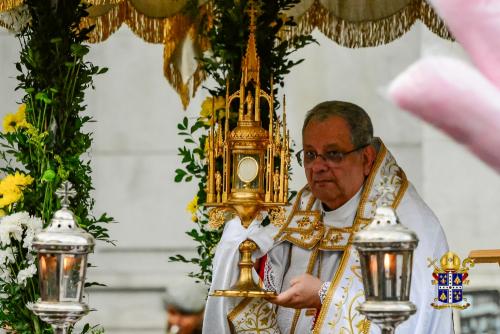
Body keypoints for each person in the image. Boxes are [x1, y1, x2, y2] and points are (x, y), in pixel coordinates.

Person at [203, 101, 453, 333]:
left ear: (366, 159)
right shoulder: (303, 207)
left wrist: (325, 295)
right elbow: (262, 264)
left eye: (333, 154)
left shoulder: (407, 223)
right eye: (310, 154)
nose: (317, 167)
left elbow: (409, 315)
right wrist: (242, 247)